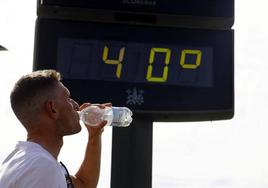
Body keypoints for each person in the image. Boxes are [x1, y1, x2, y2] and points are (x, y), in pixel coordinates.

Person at [0, 69, 111, 188]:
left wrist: (95, 135)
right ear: (52, 108)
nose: (76, 105)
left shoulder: (21, 160)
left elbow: (83, 184)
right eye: (68, 98)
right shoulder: (42, 167)